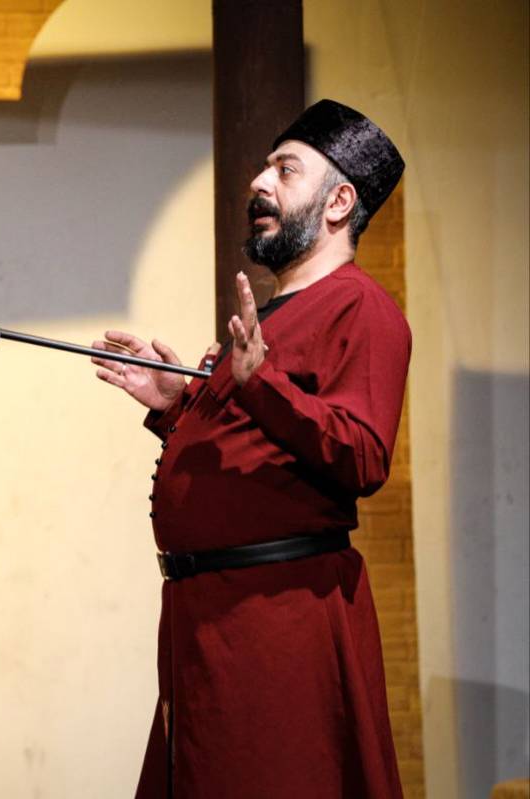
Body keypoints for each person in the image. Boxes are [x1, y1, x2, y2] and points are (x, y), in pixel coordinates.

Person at [93, 100, 410, 797]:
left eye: (285, 171)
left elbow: (363, 455)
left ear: (339, 202)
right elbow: (255, 452)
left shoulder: (361, 307)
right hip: (208, 619)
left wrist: (260, 381)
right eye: (264, 168)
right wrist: (176, 406)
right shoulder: (270, 318)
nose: (259, 184)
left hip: (279, 618)